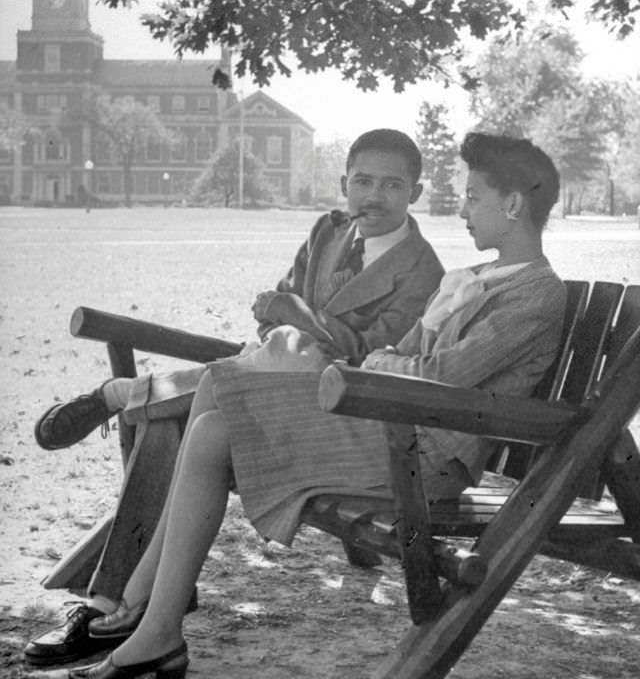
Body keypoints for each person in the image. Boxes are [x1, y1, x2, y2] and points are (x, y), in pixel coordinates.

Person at [61, 132, 566, 679]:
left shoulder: (535, 292)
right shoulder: (478, 278)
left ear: (513, 204)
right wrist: (384, 362)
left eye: (473, 196)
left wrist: (378, 366)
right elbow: (402, 353)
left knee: (211, 432)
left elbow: (437, 375)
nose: (463, 209)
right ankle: (146, 610)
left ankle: (153, 626)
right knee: (220, 388)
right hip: (394, 428)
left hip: (427, 455)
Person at [25, 128, 445, 666]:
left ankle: (119, 594)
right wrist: (295, 319)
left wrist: (300, 318)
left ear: (416, 191)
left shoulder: (423, 270)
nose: (375, 196)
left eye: (392, 185)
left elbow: (371, 355)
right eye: (363, 181)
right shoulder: (329, 230)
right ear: (344, 184)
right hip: (274, 367)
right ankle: (126, 605)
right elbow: (273, 302)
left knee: (186, 414)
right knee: (177, 425)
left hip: (327, 405)